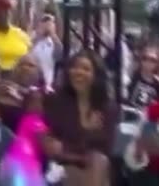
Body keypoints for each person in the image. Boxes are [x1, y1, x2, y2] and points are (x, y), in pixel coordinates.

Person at [41, 51, 117, 186]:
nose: (78, 72)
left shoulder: (107, 108)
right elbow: (52, 148)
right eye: (74, 67)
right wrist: (87, 133)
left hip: (95, 169)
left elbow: (106, 149)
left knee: (98, 161)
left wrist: (70, 148)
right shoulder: (57, 102)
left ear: (96, 75)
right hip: (61, 169)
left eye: (86, 69)